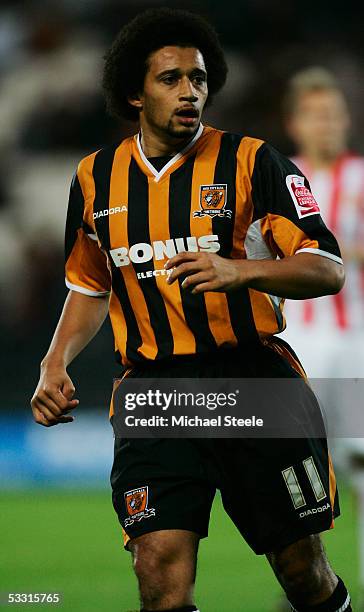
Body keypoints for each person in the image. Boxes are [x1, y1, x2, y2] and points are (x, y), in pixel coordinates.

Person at [31, 9, 351, 612]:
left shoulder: (255, 162)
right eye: (172, 79)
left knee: (301, 570)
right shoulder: (95, 178)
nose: (190, 92)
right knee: (159, 574)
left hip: (253, 383)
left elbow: (328, 266)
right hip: (156, 392)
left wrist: (242, 272)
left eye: (199, 80)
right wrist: (55, 362)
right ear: (135, 92)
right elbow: (90, 285)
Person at [280, 67, 364, 381]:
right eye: (315, 115)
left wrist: (325, 253)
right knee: (300, 430)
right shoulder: (280, 180)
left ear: (346, 120)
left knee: (354, 431)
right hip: (297, 334)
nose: (325, 124)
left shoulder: (360, 176)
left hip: (357, 334)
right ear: (294, 124)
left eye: (332, 114)